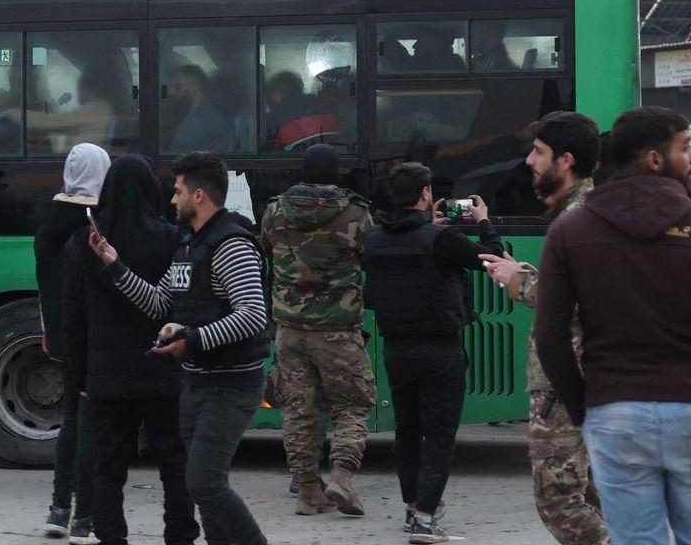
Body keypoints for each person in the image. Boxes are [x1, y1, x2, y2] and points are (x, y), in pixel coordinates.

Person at [91, 151, 271, 545]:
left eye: (177, 192)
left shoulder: (231, 245)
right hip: (197, 383)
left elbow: (253, 315)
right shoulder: (188, 244)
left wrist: (192, 338)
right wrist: (114, 265)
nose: (171, 200)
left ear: (200, 195)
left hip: (231, 385)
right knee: (204, 486)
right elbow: (159, 303)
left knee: (203, 482)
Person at [534, 107, 691, 545]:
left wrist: (588, 408)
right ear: (656, 160)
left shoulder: (571, 229)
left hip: (615, 411)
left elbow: (550, 336)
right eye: (685, 147)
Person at [481, 111, 609, 545]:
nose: (529, 161)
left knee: (559, 499)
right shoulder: (584, 213)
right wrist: (523, 274)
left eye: (539, 152)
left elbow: (579, 293)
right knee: (595, 494)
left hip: (565, 377)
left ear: (566, 160)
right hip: (579, 374)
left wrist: (517, 281)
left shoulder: (578, 218)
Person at [362, 162, 502, 544]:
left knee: (407, 431)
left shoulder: (373, 240)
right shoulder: (440, 240)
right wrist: (483, 221)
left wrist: (428, 226)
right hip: (440, 351)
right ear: (425, 194)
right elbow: (492, 258)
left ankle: (412, 509)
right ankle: (425, 519)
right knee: (439, 434)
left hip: (395, 349)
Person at [67, 155, 195, 545]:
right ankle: (180, 535)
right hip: (162, 370)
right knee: (174, 462)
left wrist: (79, 378)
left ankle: (112, 537)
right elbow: (177, 306)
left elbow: (72, 317)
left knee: (108, 467)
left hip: (106, 377)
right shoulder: (172, 238)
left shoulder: (83, 242)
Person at [256, 143, 377, 517]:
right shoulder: (356, 213)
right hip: (338, 329)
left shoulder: (275, 211)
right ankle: (341, 475)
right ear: (337, 174)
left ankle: (308, 491)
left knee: (298, 410)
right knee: (352, 403)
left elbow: (266, 250)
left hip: (289, 329)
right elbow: (371, 255)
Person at [35, 142, 108, 539]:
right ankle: (84, 514)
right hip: (95, 337)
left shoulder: (48, 221)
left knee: (70, 422)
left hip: (62, 335)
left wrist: (48, 330)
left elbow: (43, 286)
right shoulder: (97, 224)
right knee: (89, 423)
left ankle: (58, 508)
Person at [165, 67, 232, 153]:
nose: (171, 92)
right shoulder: (202, 115)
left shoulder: (200, 121)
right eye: (170, 87)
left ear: (195, 87)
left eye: (177, 86)